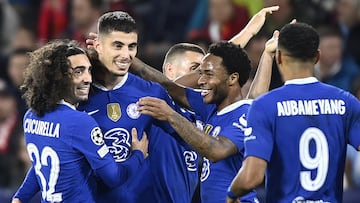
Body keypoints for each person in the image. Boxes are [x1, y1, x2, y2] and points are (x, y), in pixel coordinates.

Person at [226, 22, 360, 203]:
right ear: (317, 57)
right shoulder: (346, 102)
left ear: (279, 57)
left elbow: (252, 176)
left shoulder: (265, 105)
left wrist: (232, 193)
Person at [11, 39, 148, 203]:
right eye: (78, 71)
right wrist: (138, 155)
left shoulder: (31, 116)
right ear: (58, 77)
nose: (88, 79)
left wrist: (20, 197)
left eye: (89, 71)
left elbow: (42, 167)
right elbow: (113, 178)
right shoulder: (79, 122)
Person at [78, 11, 178, 203]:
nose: (126, 55)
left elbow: (183, 134)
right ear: (98, 45)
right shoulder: (79, 93)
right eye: (118, 46)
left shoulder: (151, 92)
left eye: (131, 47)